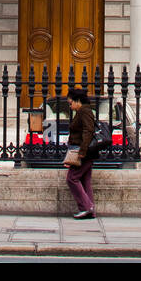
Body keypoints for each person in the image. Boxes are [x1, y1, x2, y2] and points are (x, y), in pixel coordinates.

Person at [64, 87, 96, 219]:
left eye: (70, 103)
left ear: (78, 101)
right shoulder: (82, 111)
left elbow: (88, 131)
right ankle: (90, 210)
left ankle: (86, 207)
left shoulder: (84, 111)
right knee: (84, 180)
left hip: (83, 152)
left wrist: (81, 152)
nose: (70, 106)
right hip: (85, 152)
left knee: (72, 178)